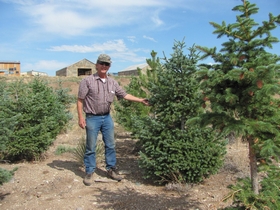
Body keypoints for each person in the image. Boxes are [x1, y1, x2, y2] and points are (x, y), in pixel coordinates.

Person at [77, 54, 149, 186]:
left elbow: (124, 94)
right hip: (92, 118)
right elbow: (80, 100)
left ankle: (111, 169)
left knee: (110, 145)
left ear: (109, 67)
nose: (104, 66)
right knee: (90, 146)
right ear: (96, 65)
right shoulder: (87, 81)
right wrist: (81, 118)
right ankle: (89, 171)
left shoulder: (112, 82)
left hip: (107, 118)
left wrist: (140, 100)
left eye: (107, 64)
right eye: (102, 63)